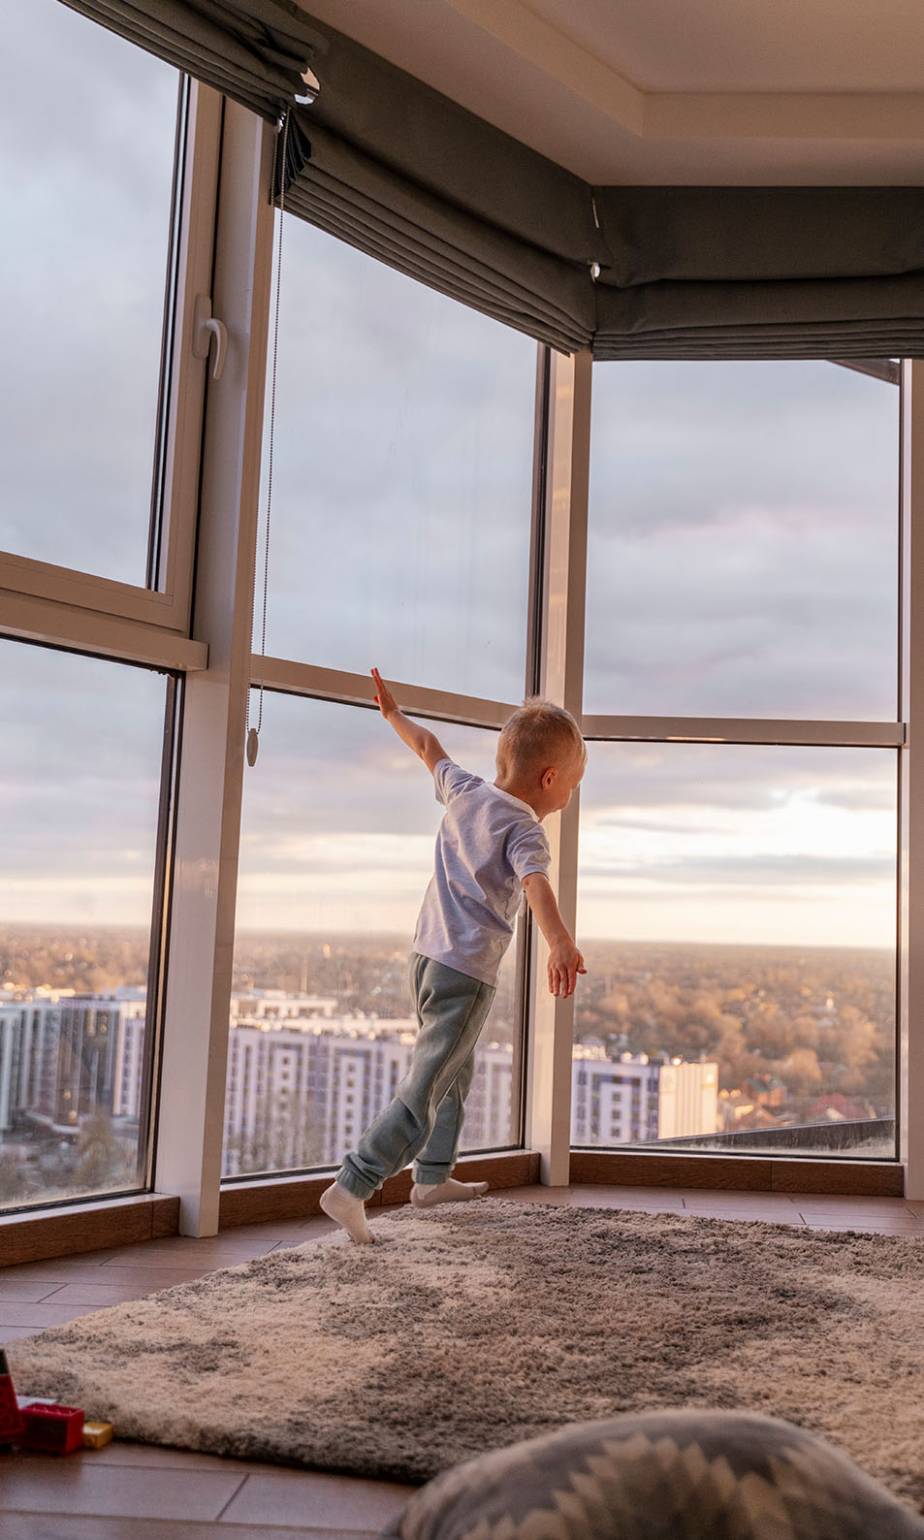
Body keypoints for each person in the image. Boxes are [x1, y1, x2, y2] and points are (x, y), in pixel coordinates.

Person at [320, 666, 587, 1244]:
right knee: (425, 1088)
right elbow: (537, 885)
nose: (570, 794)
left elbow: (427, 747)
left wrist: (392, 714)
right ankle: (352, 1184)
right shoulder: (525, 829)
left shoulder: (465, 790)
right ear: (548, 778)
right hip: (466, 973)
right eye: (572, 783)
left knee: (454, 1073)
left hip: (425, 960)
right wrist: (561, 942)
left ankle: (432, 1179)